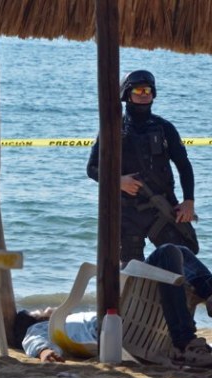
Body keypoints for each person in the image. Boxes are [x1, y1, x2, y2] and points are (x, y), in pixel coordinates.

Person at [13, 244, 212, 368]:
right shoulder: (41, 328)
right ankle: (193, 327)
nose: (46, 309)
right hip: (124, 327)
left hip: (139, 321)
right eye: (39, 312)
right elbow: (33, 341)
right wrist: (44, 352)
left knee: (179, 251)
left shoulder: (67, 321)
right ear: (34, 320)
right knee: (168, 252)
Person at [86, 70, 199, 265]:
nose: (144, 94)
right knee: (131, 268)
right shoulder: (112, 129)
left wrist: (189, 201)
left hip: (161, 208)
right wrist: (118, 181)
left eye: (148, 90)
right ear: (127, 95)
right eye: (138, 90)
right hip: (127, 212)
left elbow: (184, 166)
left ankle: (201, 284)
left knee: (183, 259)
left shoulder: (165, 128)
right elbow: (92, 168)